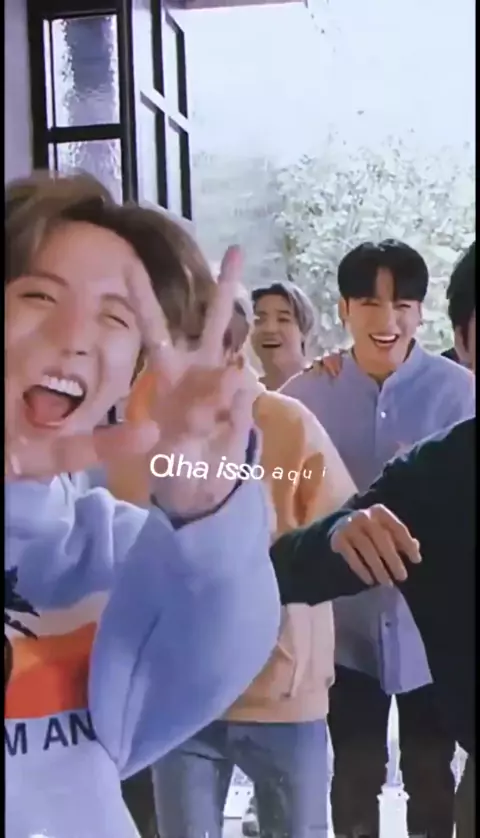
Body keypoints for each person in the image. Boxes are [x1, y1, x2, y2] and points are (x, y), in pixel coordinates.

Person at [4, 172, 280, 838]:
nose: (74, 336)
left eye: (115, 316)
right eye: (40, 295)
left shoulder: (122, 556)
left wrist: (205, 501)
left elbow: (220, 648)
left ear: (131, 373)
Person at [117, 289, 356, 838]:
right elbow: (125, 547)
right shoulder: (143, 431)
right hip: (178, 693)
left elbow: (336, 537)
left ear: (232, 345)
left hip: (281, 688)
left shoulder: (287, 423)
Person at [271, 242, 476, 838]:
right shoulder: (307, 396)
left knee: (431, 774)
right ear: (343, 309)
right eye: (369, 303)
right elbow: (270, 486)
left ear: (421, 313)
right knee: (356, 772)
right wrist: (329, 520)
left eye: (403, 305)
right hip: (348, 630)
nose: (387, 320)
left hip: (431, 641)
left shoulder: (457, 393)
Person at [250, 281, 316, 390]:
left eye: (283, 319)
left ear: (304, 330)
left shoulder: (324, 384)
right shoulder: (242, 392)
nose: (270, 329)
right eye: (259, 320)